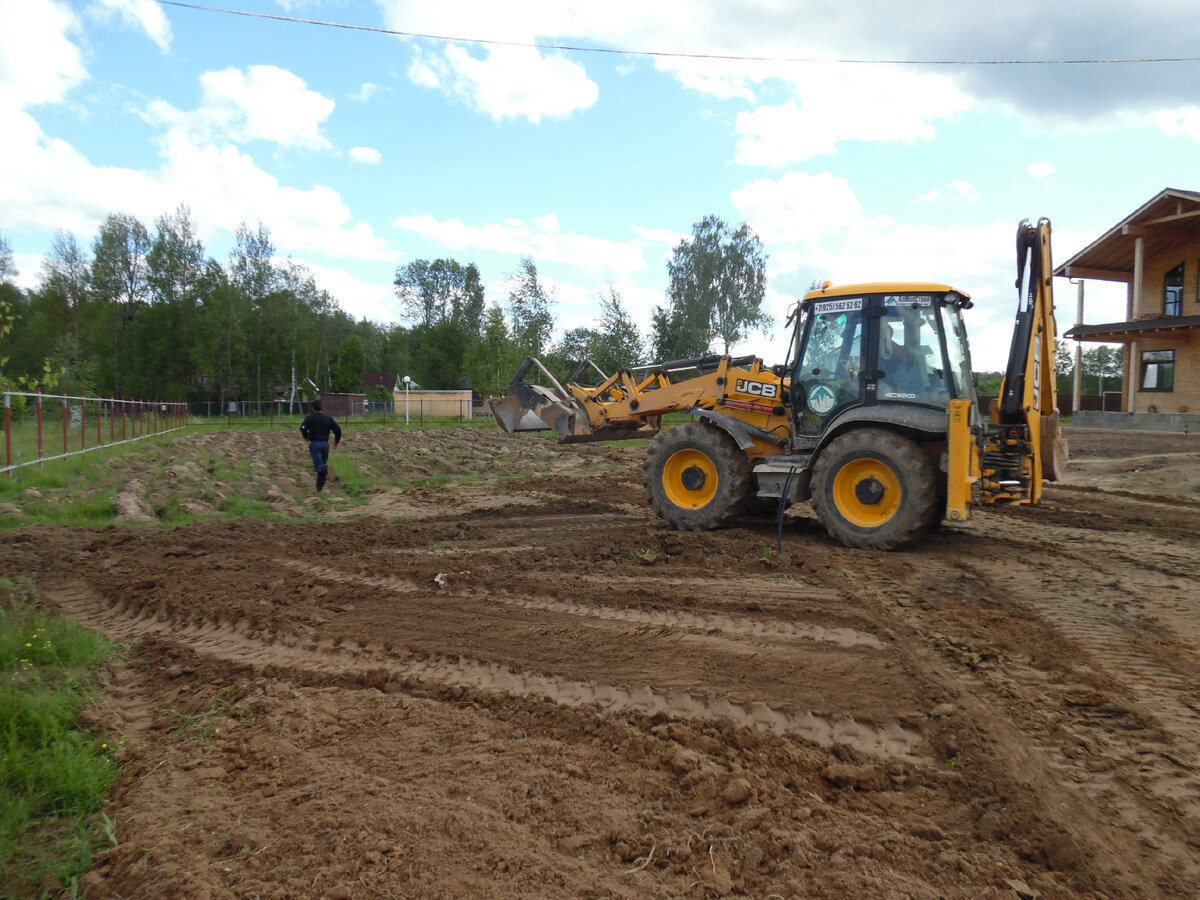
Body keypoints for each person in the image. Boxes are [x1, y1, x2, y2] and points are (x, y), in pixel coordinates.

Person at [299, 399, 342, 492]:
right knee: (321, 469)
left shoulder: (309, 418)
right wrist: (336, 442)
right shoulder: (328, 419)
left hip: (315, 444)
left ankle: (328, 469)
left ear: (313, 408)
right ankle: (319, 490)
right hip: (325, 445)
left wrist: (306, 437)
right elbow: (338, 430)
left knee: (319, 467)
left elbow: (302, 428)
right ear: (321, 408)